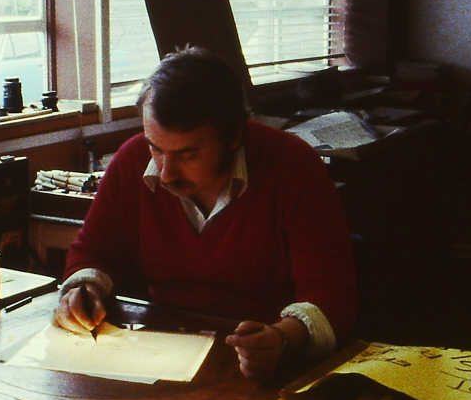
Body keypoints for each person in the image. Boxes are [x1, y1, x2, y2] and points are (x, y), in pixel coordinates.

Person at [54, 48, 358, 379]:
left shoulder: (293, 166)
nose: (165, 174)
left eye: (187, 155)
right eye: (156, 148)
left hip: (259, 352)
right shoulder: (131, 160)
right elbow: (92, 253)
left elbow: (332, 295)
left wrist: (281, 338)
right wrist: (83, 290)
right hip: (163, 347)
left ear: (234, 136)